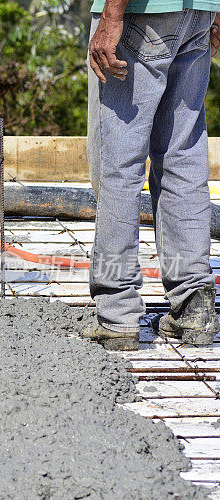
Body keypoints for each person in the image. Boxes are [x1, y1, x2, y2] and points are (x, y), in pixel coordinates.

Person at [84, 0, 220, 350]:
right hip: (197, 15)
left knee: (119, 162)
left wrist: (113, 13)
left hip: (143, 13)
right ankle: (194, 305)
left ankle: (117, 313)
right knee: (183, 156)